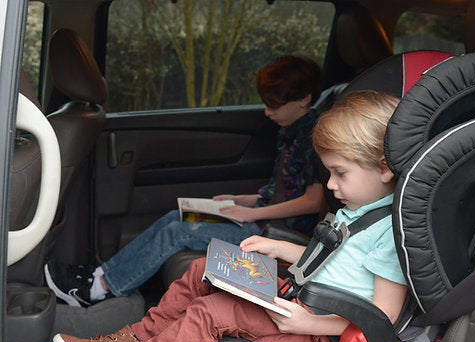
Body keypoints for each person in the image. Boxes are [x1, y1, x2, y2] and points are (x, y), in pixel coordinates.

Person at [32, 90, 409, 342]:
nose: (330, 184)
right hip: (301, 302)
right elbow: (336, 262)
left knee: (212, 312)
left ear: (383, 168)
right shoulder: (359, 212)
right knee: (201, 268)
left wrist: (309, 325)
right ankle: (131, 341)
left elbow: (382, 320)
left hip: (323, 339)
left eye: (340, 173)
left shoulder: (390, 234)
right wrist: (280, 248)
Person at [44, 54, 326, 307]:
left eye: (274, 105)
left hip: (271, 235)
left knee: (177, 232)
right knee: (174, 216)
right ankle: (99, 274)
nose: (267, 112)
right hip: (260, 219)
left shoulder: (314, 138)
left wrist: (253, 212)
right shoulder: (289, 132)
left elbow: (313, 201)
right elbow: (283, 191)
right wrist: (242, 200)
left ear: (304, 98)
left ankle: (97, 290)